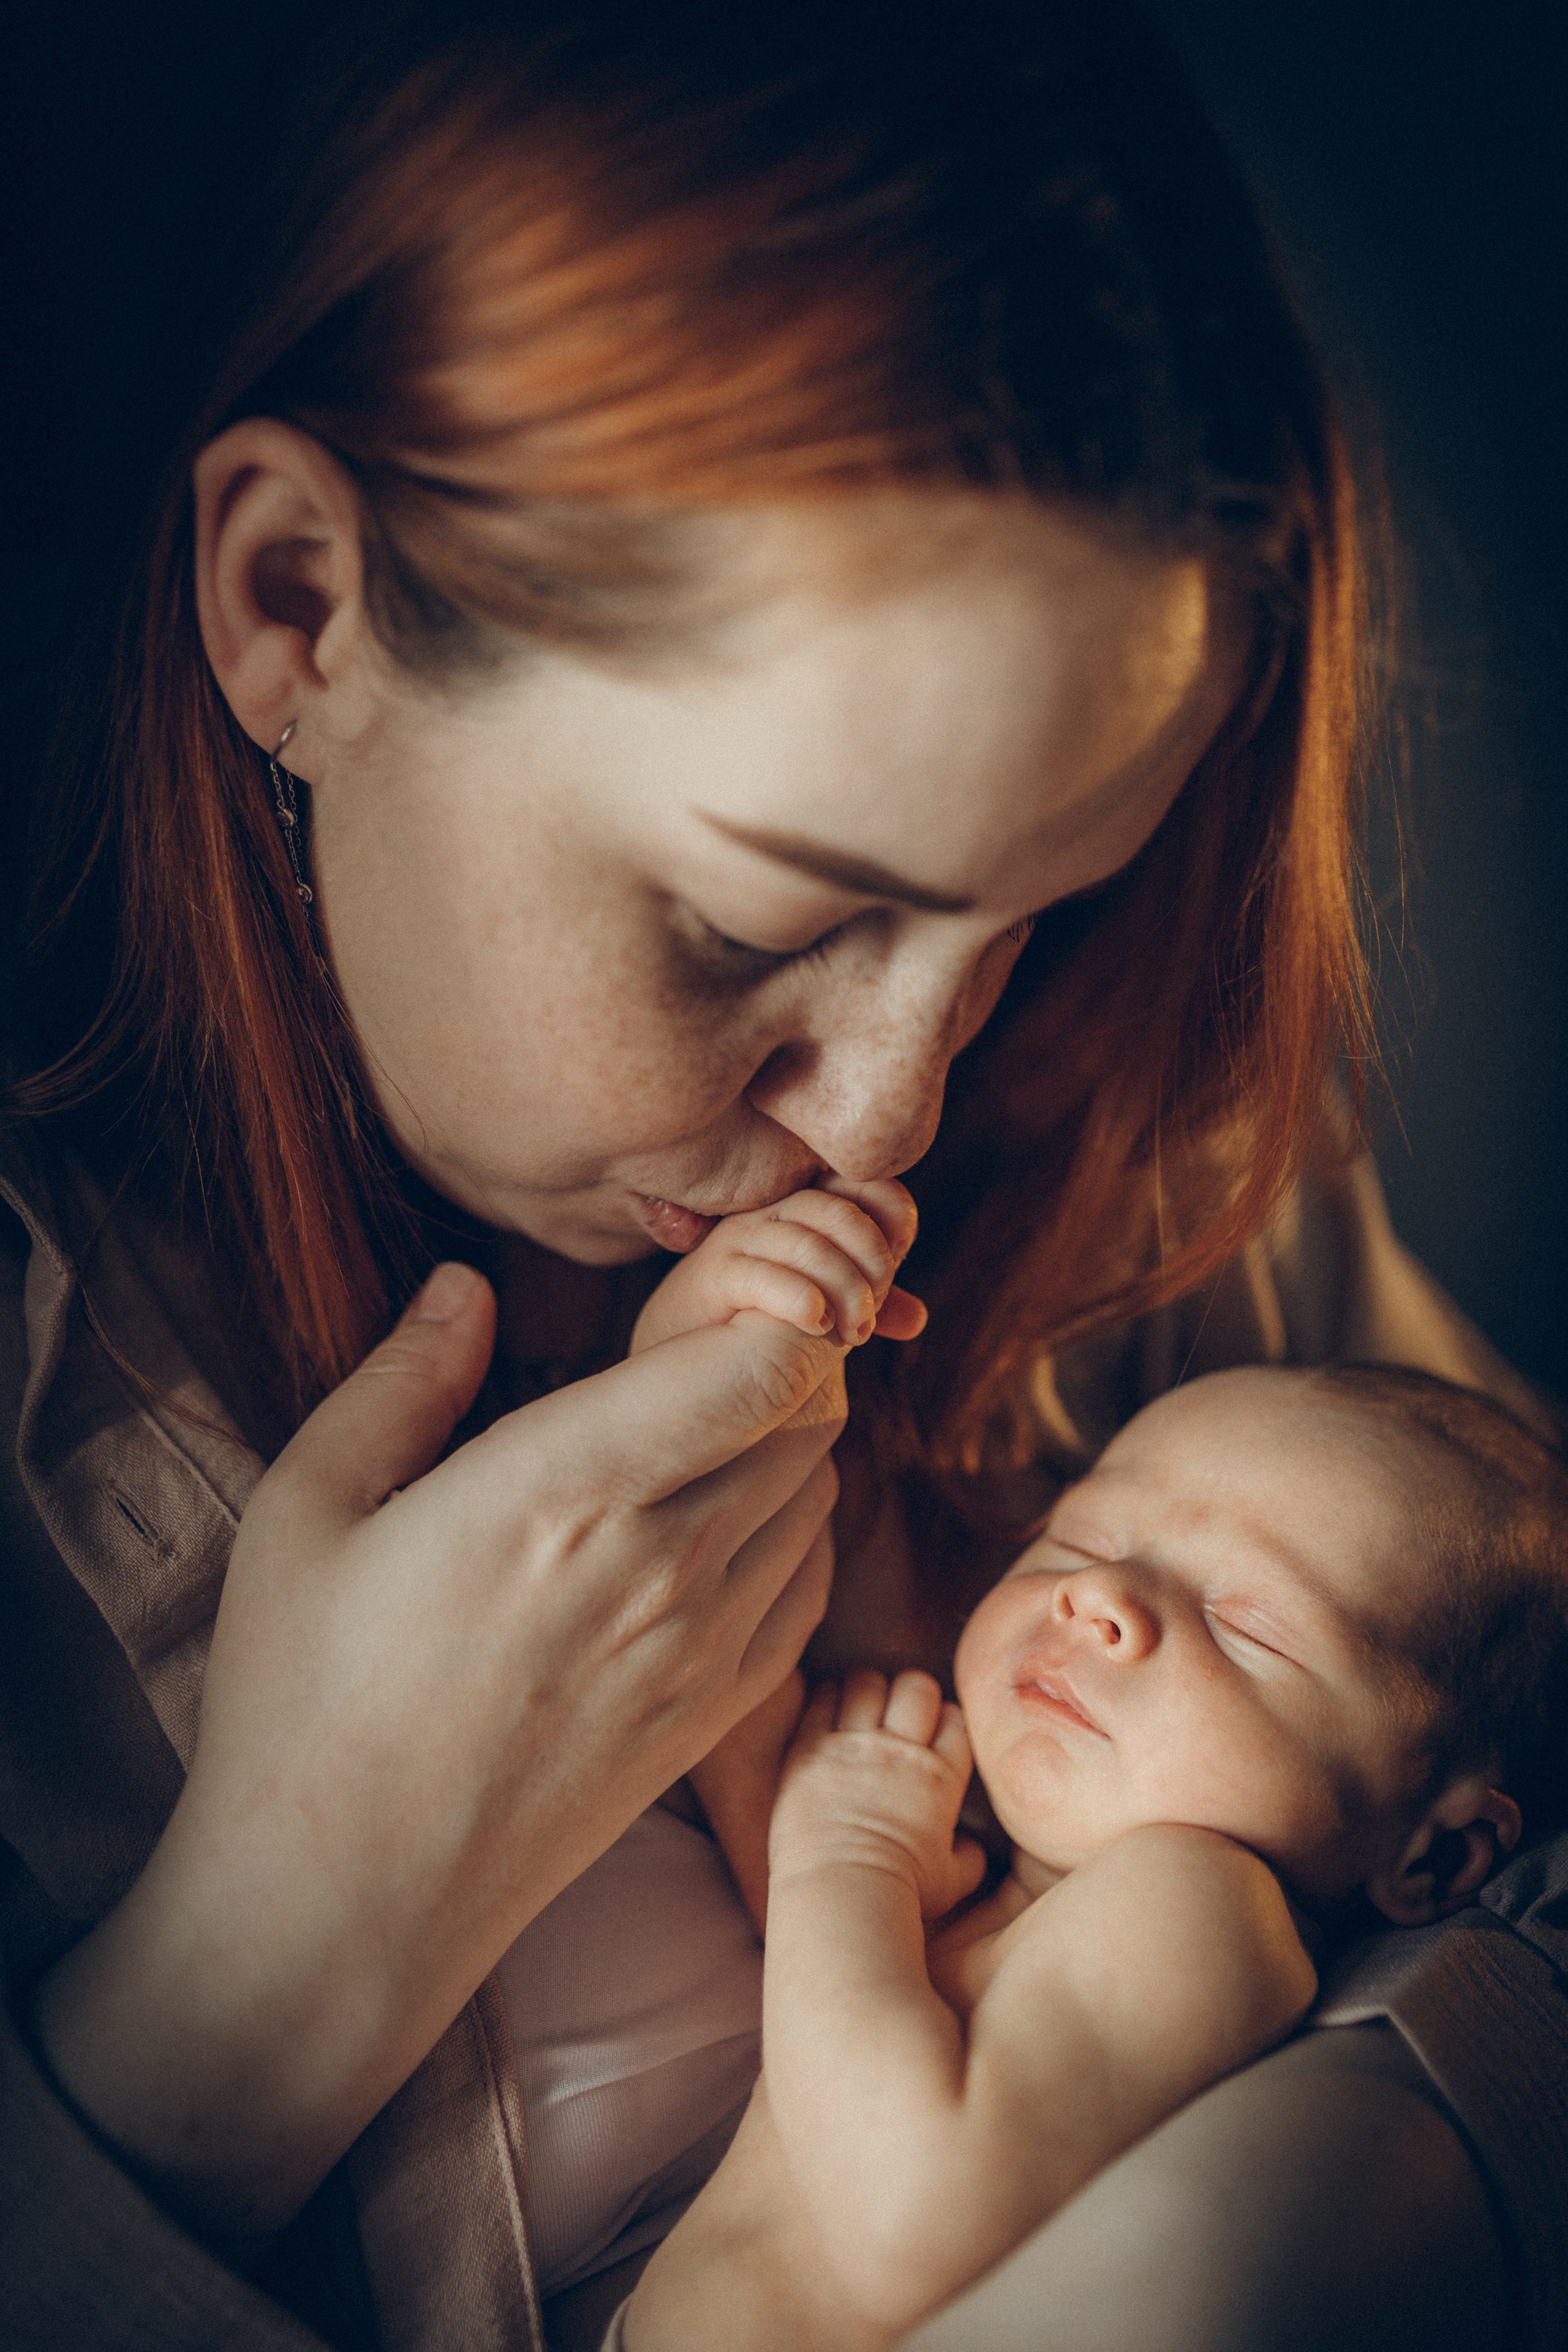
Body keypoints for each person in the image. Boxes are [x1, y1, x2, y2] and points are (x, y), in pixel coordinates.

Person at [1, 3, 1563, 2349]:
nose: (896, 1120)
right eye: (755, 926)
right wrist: (279, 1958)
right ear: (296, 610)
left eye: (1032, 920)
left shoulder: (1164, 1187)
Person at [608, 1322, 1568, 2347]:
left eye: (1251, 1625)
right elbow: (825, 2000)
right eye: (1083, 1540)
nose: (1099, 1596)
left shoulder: (1202, 1903)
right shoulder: (1011, 1865)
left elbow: (914, 2222)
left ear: (1431, 1855)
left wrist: (847, 1857)